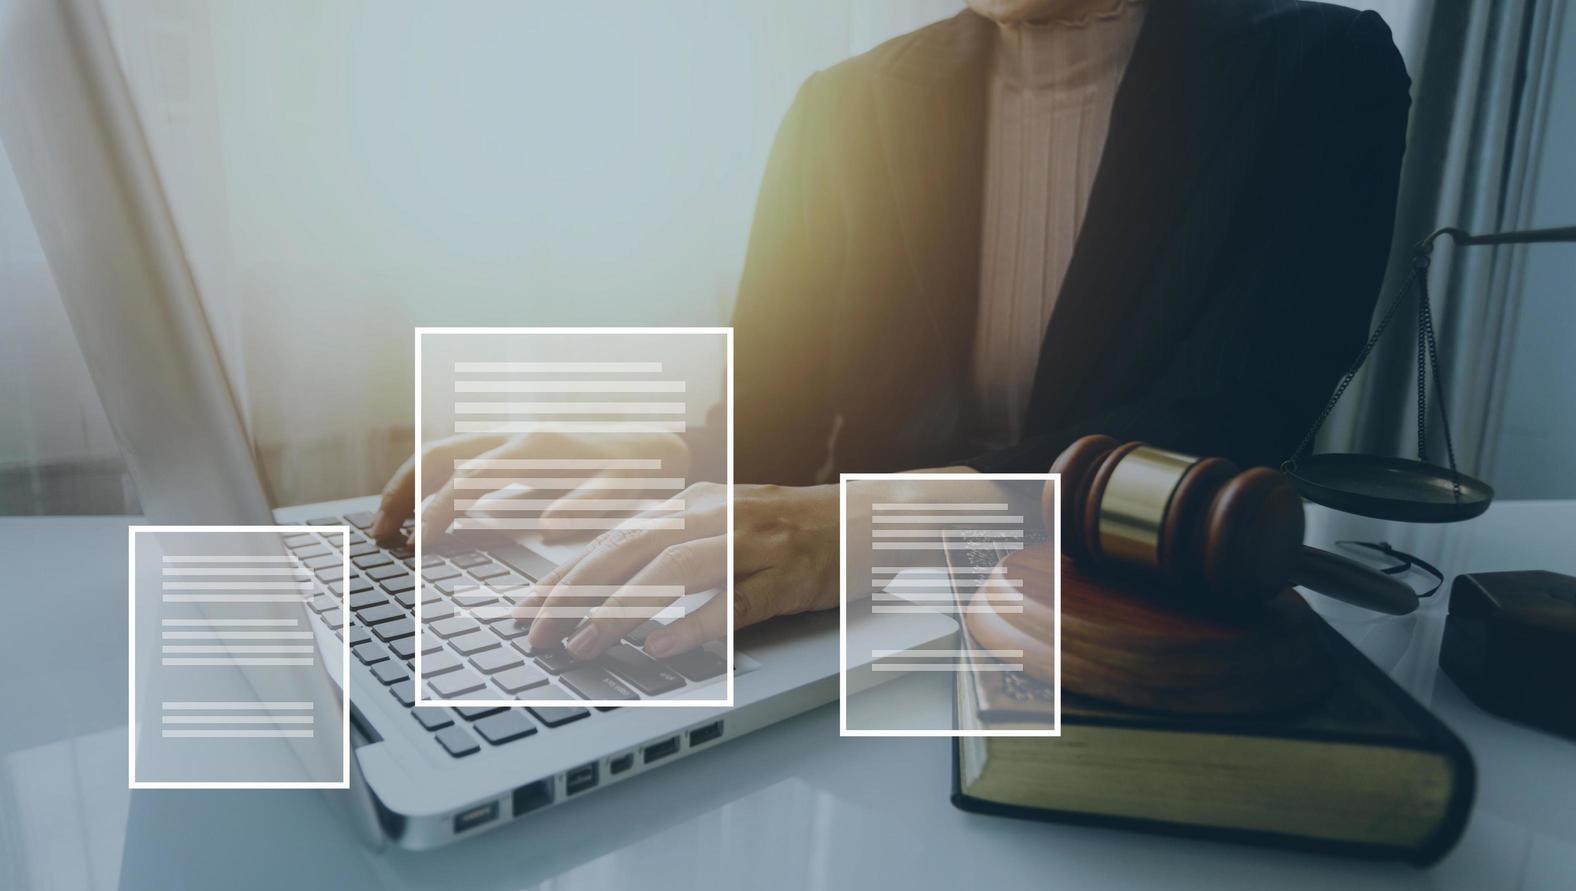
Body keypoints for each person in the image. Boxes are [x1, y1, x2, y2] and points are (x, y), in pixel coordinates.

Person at [374, 0, 1411, 662]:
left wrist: (862, 531)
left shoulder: (1320, 70)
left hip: (1121, 637)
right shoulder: (843, 104)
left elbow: (1231, 422)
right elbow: (772, 421)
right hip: (859, 647)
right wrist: (633, 458)